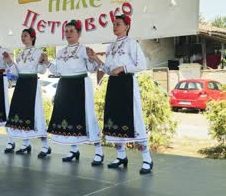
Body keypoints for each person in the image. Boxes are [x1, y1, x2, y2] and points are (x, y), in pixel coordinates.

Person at [87, 14, 154, 175]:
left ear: (127, 26)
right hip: (114, 85)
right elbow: (109, 69)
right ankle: (121, 156)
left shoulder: (132, 43)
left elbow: (142, 64)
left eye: (118, 24)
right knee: (115, 119)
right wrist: (95, 58)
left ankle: (147, 159)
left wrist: (123, 68)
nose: (115, 26)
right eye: (114, 24)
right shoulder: (110, 47)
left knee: (134, 117)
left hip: (126, 84)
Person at [42, 20, 104, 165]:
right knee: (68, 118)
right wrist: (46, 62)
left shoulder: (84, 49)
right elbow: (58, 71)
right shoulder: (61, 51)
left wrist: (92, 57)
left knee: (87, 116)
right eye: (66, 31)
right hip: (65, 85)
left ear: (79, 33)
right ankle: (73, 150)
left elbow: (91, 68)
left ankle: (99, 152)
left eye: (72, 31)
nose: (68, 33)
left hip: (80, 85)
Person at [3, 28, 50, 158]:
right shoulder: (19, 54)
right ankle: (25, 144)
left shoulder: (38, 52)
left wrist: (42, 61)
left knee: (36, 113)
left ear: (32, 37)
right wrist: (9, 62)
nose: (23, 38)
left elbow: (41, 70)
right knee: (21, 113)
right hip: (21, 84)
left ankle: (46, 146)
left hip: (32, 83)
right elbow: (17, 72)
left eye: (25, 35)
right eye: (22, 35)